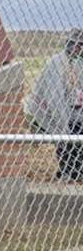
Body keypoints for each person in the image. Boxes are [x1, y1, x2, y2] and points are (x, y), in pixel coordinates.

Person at [28, 29, 83, 181]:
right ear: (67, 44)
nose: (76, 48)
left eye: (80, 45)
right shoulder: (56, 62)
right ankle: (66, 171)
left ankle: (76, 171)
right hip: (59, 108)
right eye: (73, 44)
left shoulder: (81, 63)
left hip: (78, 113)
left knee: (78, 142)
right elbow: (49, 88)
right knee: (63, 142)